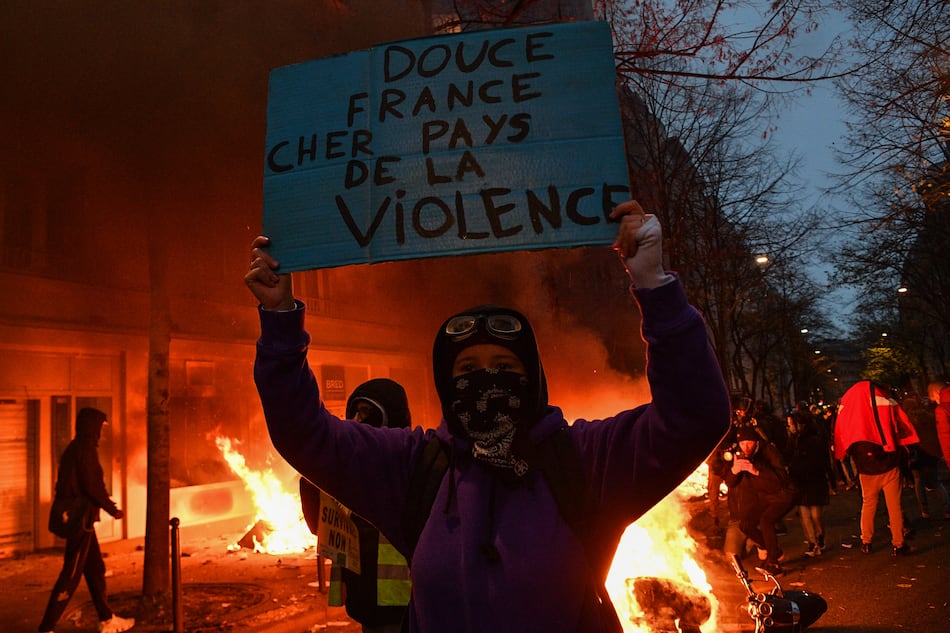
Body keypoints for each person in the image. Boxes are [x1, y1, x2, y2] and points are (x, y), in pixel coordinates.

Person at [245, 199, 731, 633]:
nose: (486, 382)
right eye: (468, 370)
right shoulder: (417, 469)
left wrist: (654, 285)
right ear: (446, 385)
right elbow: (304, 433)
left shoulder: (583, 460)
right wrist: (282, 318)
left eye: (504, 367)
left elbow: (696, 416)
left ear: (532, 380)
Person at [299, 379, 413, 633]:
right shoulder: (348, 468)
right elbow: (320, 525)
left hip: (404, 600)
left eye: (368, 412)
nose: (360, 419)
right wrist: (312, 476)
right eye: (357, 411)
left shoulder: (409, 464)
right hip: (364, 597)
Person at [38, 408, 135, 633]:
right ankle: (46, 628)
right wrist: (112, 509)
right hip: (80, 521)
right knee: (71, 573)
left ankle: (107, 619)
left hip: (82, 521)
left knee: (95, 569)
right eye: (101, 426)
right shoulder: (85, 450)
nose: (102, 431)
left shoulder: (74, 448)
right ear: (93, 427)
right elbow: (93, 486)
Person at [834, 380, 919, 556]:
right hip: (888, 464)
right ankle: (898, 544)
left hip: (866, 469)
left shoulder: (848, 404)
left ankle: (866, 541)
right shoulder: (882, 397)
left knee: (868, 504)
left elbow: (840, 433)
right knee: (894, 506)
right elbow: (898, 423)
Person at [722, 425, 798, 576]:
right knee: (745, 524)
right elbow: (730, 482)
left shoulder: (769, 451)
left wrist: (756, 471)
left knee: (766, 521)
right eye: (743, 444)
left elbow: (780, 480)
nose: (746, 447)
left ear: (756, 442)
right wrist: (734, 470)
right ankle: (774, 551)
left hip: (783, 494)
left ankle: (774, 564)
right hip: (764, 496)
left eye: (749, 443)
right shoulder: (740, 455)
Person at [787, 411, 836, 556]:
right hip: (801, 482)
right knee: (805, 516)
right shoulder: (793, 440)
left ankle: (819, 538)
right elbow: (788, 456)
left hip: (814, 481)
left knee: (815, 515)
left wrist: (831, 481)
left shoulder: (814, 439)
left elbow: (824, 461)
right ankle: (812, 542)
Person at [901, 394, 950, 520]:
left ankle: (925, 510)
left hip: (917, 454)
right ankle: (947, 508)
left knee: (918, 481)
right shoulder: (929, 416)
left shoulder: (906, 421)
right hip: (932, 452)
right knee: (936, 481)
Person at [929, 382, 950, 469]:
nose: (937, 402)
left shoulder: (941, 409)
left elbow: (945, 437)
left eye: (935, 399)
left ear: (936, 392)